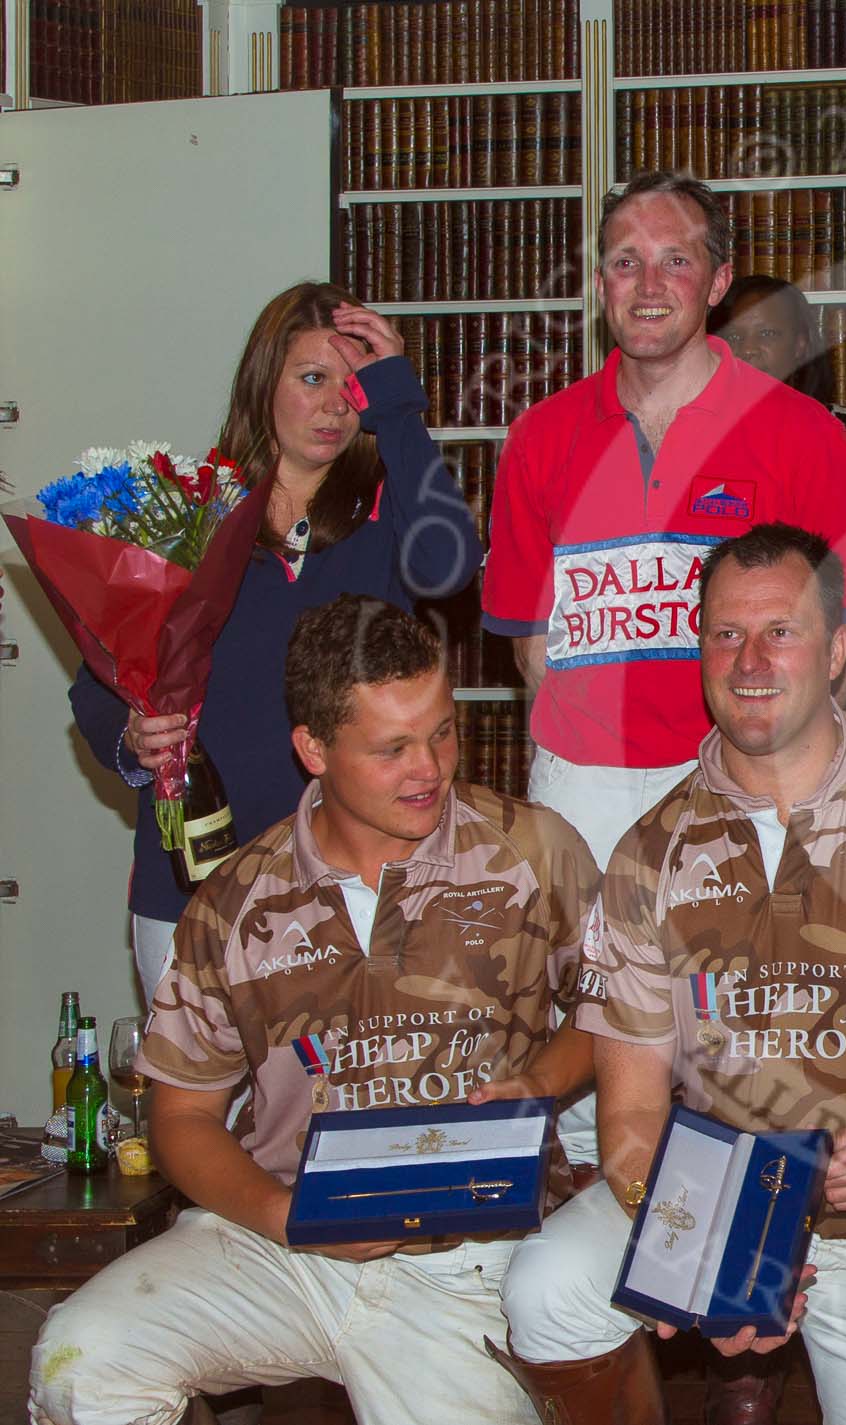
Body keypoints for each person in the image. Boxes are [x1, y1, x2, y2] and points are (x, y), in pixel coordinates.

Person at [30, 596, 600, 1425]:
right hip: (281, 1241)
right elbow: (181, 1112)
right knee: (82, 1361)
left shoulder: (535, 850)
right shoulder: (234, 898)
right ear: (313, 748)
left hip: (469, 1256)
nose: (430, 768)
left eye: (441, 730)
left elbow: (618, 1012)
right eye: (391, 747)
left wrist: (541, 1078)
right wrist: (286, 1217)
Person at [493, 524, 846, 1425]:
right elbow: (629, 1116)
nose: (749, 661)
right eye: (725, 634)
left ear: (840, 648)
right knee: (543, 1285)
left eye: (781, 631)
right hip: (708, 1197)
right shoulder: (650, 851)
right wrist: (707, 1255)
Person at [72, 284, 482, 994]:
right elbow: (97, 685)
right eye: (311, 378)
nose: (333, 405)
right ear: (264, 381)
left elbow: (447, 569)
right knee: (203, 1108)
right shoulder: (187, 513)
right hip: (198, 884)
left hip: (356, 882)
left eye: (351, 384)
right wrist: (134, 736)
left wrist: (402, 410)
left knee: (345, 1102)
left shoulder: (389, 509)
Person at [481, 169, 846, 874]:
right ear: (601, 281)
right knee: (588, 985)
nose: (650, 286)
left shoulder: (802, 435)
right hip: (582, 787)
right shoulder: (539, 439)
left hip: (750, 776)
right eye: (626, 262)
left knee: (729, 988)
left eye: (677, 261)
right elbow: (532, 647)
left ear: (718, 281)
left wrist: (786, 764)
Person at [713, 273, 846, 458]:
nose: (748, 349)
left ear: (799, 346)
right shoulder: (696, 430)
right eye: (734, 337)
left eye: (767, 334)